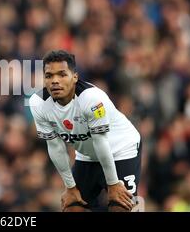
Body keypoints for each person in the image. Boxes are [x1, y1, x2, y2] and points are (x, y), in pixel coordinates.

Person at [29, 50, 141, 212]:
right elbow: (55, 147)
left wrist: (113, 184)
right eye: (49, 76)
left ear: (75, 77)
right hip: (88, 155)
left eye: (62, 74)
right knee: (73, 207)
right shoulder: (38, 103)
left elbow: (101, 142)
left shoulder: (92, 99)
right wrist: (70, 187)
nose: (55, 81)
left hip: (121, 149)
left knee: (120, 207)